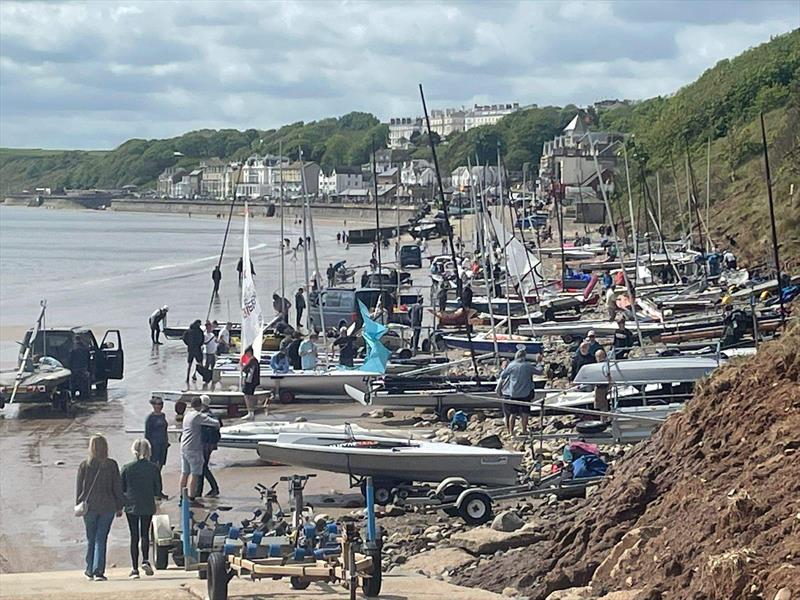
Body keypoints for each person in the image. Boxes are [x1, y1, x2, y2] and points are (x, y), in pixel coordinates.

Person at [76, 434, 124, 581]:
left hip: (89, 506)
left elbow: (79, 489)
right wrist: (119, 506)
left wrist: (78, 504)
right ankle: (98, 571)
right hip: (107, 506)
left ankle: (89, 569)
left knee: (91, 538)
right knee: (101, 538)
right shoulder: (112, 465)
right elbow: (117, 487)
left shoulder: (85, 465)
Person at [121, 439, 162, 579]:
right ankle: (146, 560)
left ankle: (134, 569)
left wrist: (119, 506)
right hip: (147, 504)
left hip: (131, 505)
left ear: (133, 450)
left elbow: (122, 488)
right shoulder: (154, 468)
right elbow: (158, 489)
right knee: (145, 533)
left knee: (134, 535)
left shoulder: (127, 467)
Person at [179, 396, 220, 505]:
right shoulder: (198, 416)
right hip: (194, 448)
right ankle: (192, 498)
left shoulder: (187, 415)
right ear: (200, 405)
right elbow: (215, 423)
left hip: (184, 447)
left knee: (184, 473)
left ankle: (182, 497)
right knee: (195, 474)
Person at [496, 348, 537, 435]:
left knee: (513, 414)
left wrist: (504, 370)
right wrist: (540, 363)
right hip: (525, 393)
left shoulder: (511, 365)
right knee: (525, 413)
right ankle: (524, 430)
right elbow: (539, 372)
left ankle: (511, 432)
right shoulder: (527, 365)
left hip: (514, 393)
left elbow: (503, 375)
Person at [197, 395, 221, 498]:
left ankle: (213, 488)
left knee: (202, 467)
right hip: (210, 445)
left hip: (205, 445)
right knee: (202, 467)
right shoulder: (212, 415)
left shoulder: (203, 416)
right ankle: (200, 490)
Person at [144, 397, 169, 471]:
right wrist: (148, 447)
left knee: (161, 462)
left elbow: (165, 430)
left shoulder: (163, 415)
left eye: (161, 404)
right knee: (153, 463)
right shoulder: (150, 418)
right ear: (153, 405)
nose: (159, 406)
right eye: (157, 404)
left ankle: (158, 476)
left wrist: (166, 441)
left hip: (163, 443)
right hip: (154, 444)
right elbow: (147, 433)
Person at [241, 346, 261, 420]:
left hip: (250, 380)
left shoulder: (251, 360)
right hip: (254, 381)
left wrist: (242, 366)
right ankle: (251, 412)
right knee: (250, 395)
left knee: (247, 396)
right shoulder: (255, 360)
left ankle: (250, 412)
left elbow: (244, 369)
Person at [183, 320, 204, 385]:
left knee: (189, 364)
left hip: (190, 349)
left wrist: (188, 344)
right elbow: (202, 339)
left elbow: (184, 338)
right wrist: (199, 345)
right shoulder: (199, 331)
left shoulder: (188, 331)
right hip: (197, 349)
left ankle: (187, 378)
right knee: (200, 363)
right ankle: (204, 377)